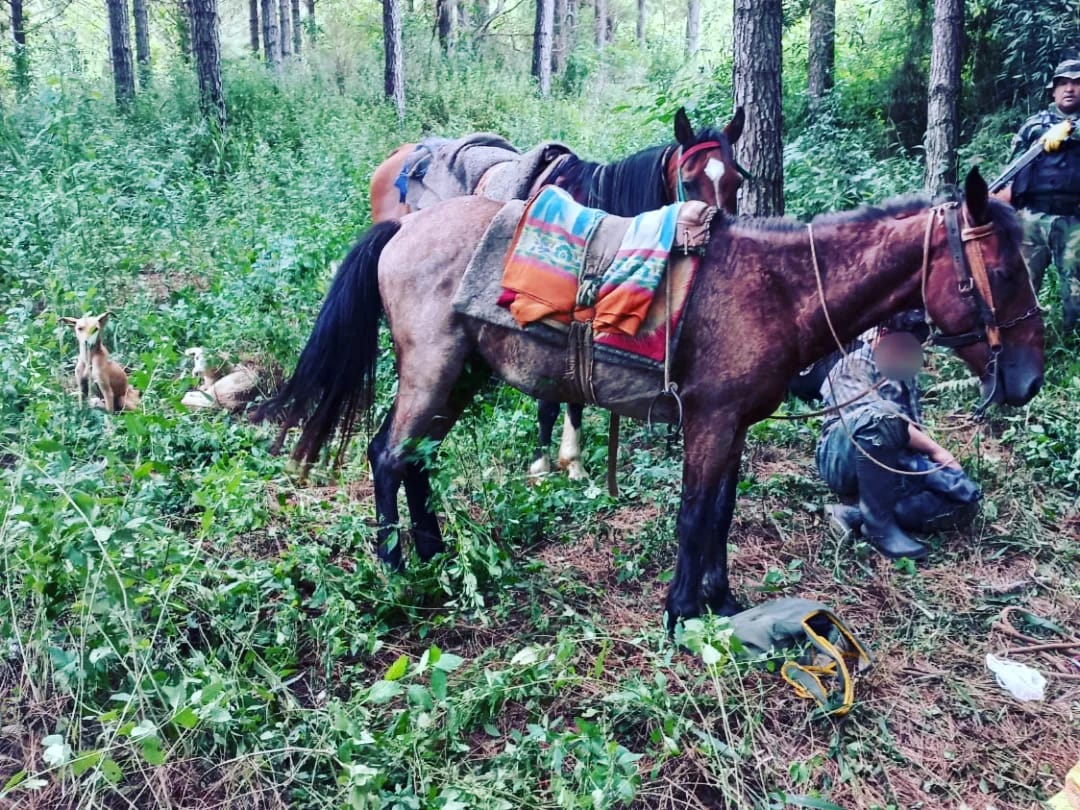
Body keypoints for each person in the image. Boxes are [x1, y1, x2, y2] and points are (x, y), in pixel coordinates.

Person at [814, 310, 981, 560]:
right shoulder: (854, 364)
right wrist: (935, 451)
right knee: (882, 414)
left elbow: (907, 435)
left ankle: (855, 514)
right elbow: (871, 421)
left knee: (962, 497)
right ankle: (878, 527)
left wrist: (935, 472)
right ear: (882, 336)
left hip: (892, 463)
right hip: (841, 459)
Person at [1006, 58, 1080, 332]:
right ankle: (1022, 339)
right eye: (1063, 83)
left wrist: (1071, 130)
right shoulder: (1033, 125)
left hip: (1074, 219)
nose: (1069, 89)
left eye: (1076, 83)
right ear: (1053, 90)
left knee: (1075, 286)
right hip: (1031, 218)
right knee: (1022, 284)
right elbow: (1013, 169)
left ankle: (1071, 345)